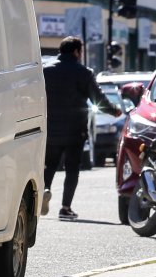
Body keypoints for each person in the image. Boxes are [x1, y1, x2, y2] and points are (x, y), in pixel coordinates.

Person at [42, 36, 122, 221]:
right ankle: (65, 207)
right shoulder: (83, 72)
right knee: (72, 169)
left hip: (51, 129)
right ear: (77, 52)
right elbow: (97, 98)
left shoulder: (46, 71)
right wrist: (114, 111)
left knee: (49, 166)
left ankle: (44, 192)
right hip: (75, 131)